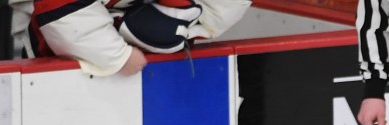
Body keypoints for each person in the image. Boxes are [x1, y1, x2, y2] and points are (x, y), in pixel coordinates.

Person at [25, 0, 250, 77]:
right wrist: (118, 56)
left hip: (156, 81)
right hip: (59, 72)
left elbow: (217, 12)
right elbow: (58, 8)